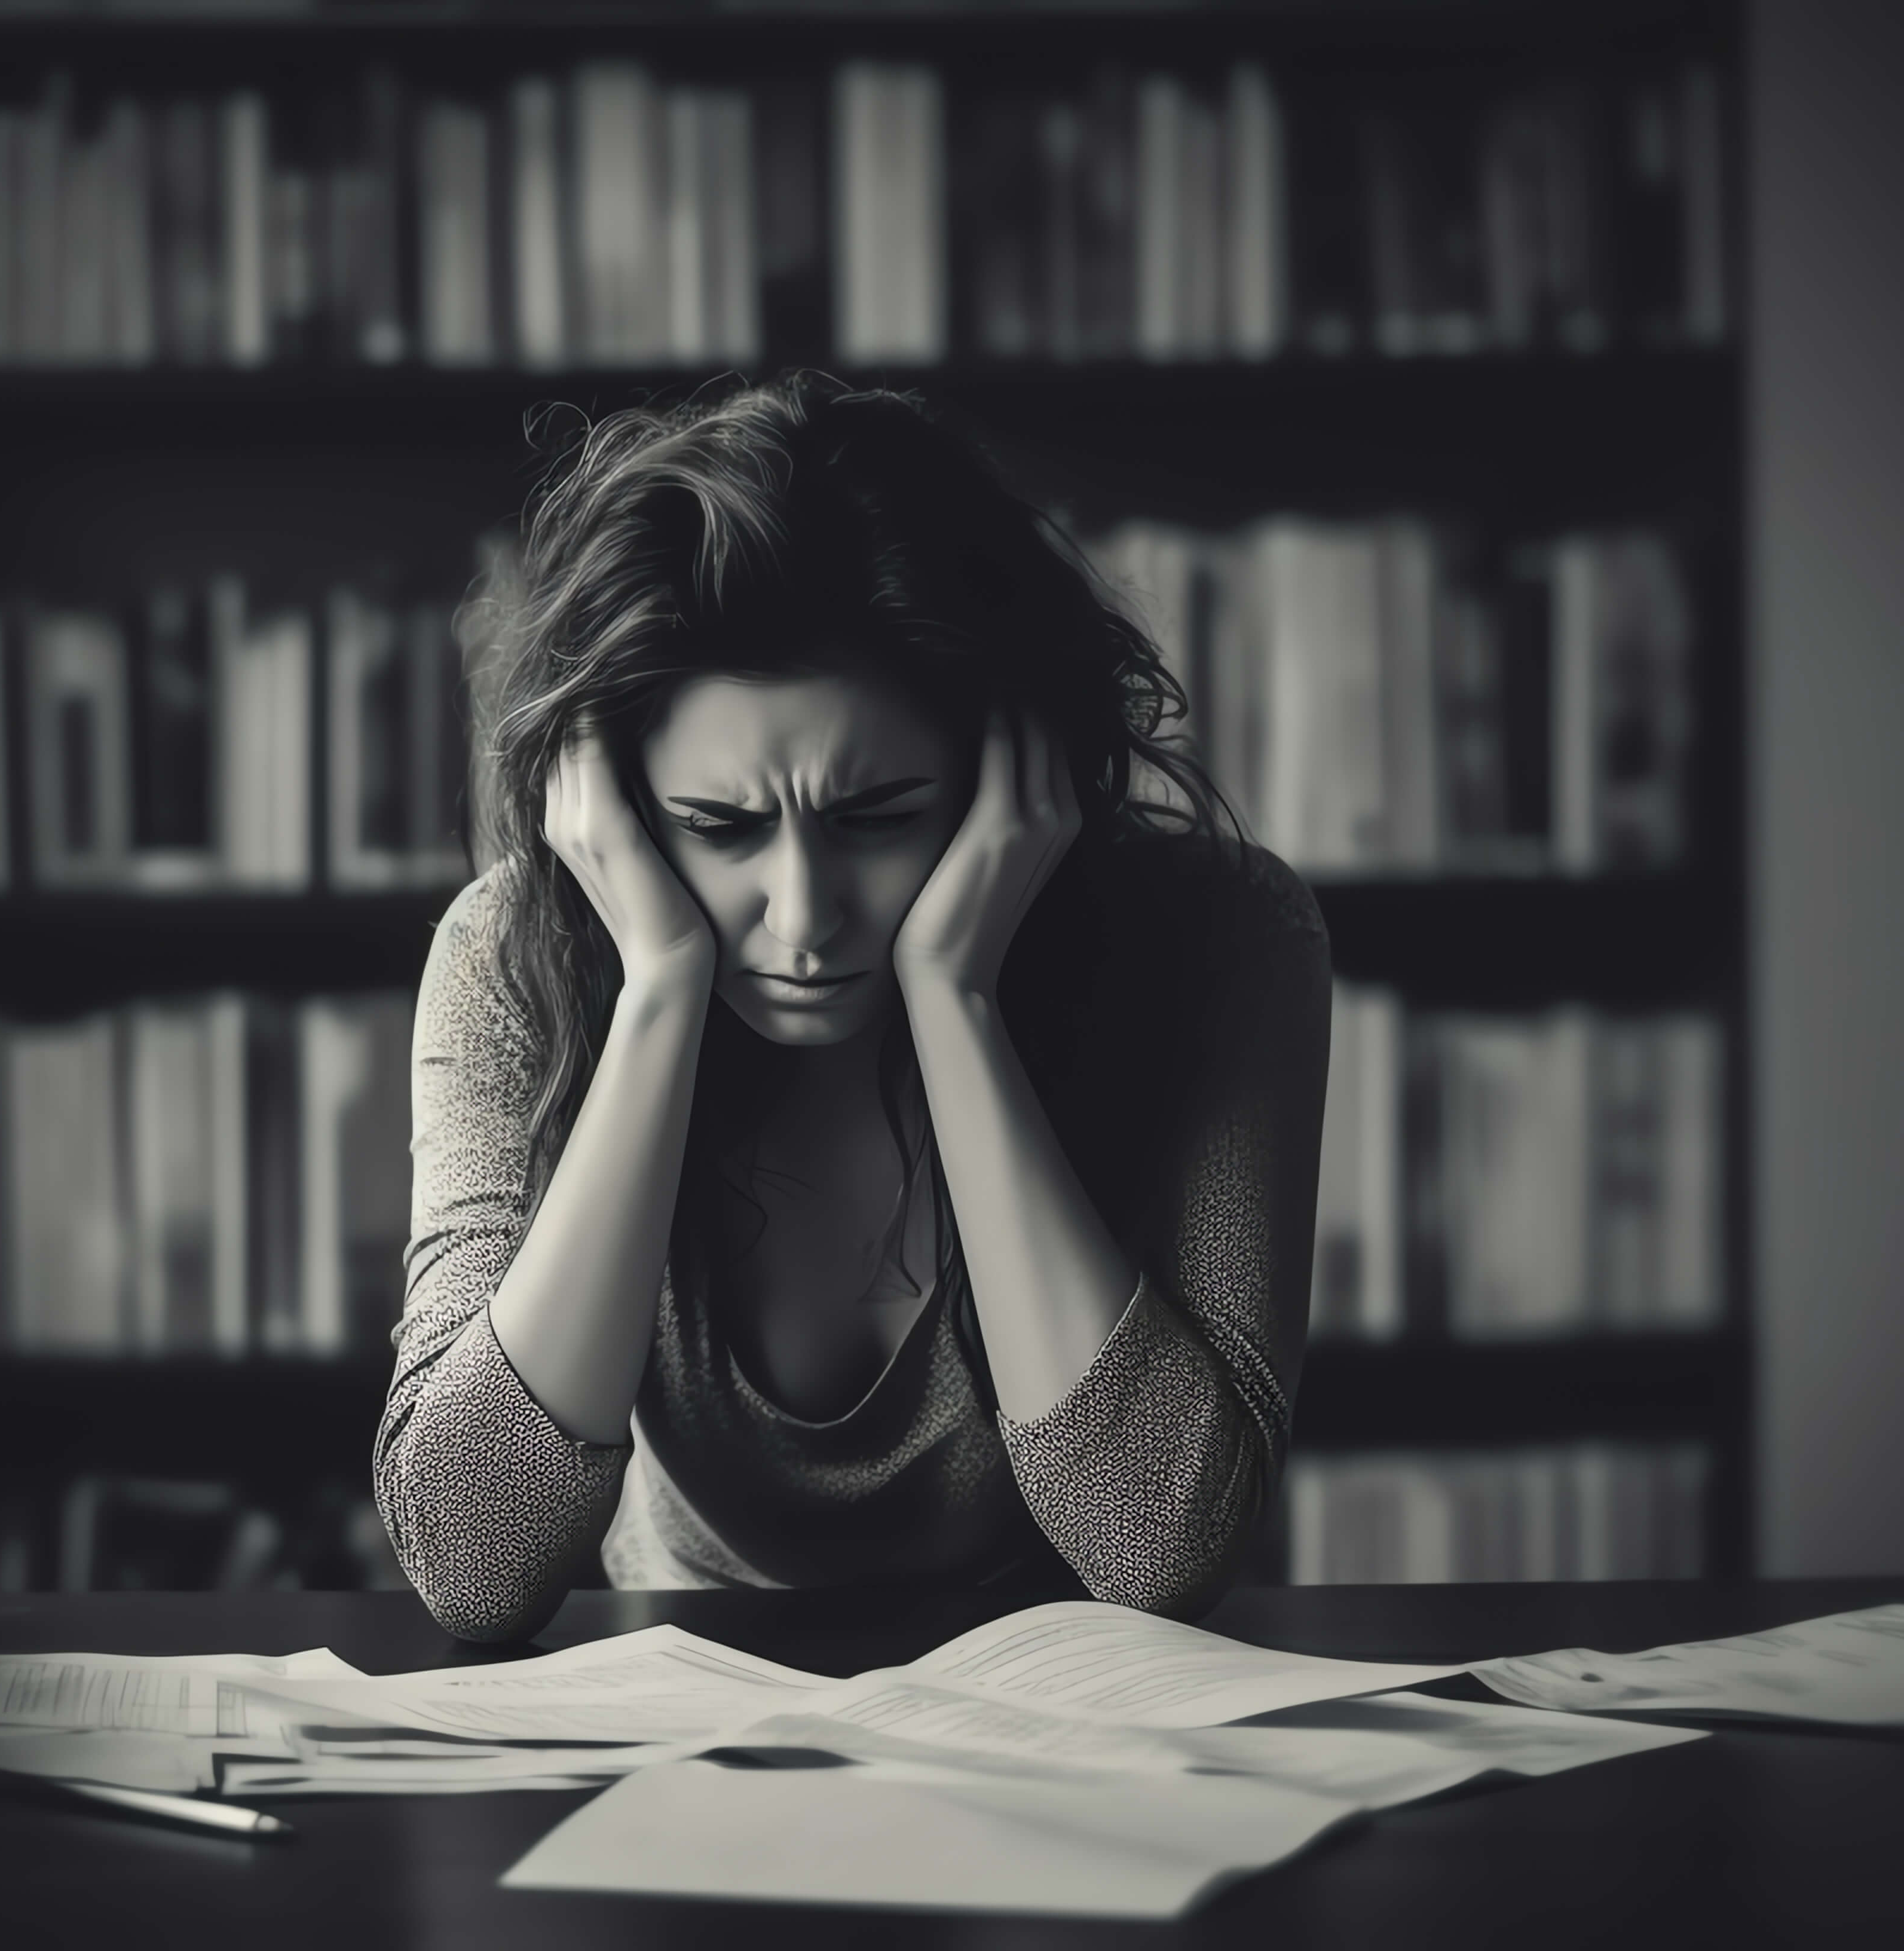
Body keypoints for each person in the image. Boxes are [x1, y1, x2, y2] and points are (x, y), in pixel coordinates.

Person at [374, 375, 1331, 1642]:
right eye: (718, 827)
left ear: (1014, 776)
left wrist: (956, 997)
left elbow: (1160, 1548)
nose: (803, 917)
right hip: (688, 1714)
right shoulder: (514, 957)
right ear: (611, 806)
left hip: (1078, 1714)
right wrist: (659, 994)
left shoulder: (1218, 937)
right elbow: (473, 1566)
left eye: (877, 818)